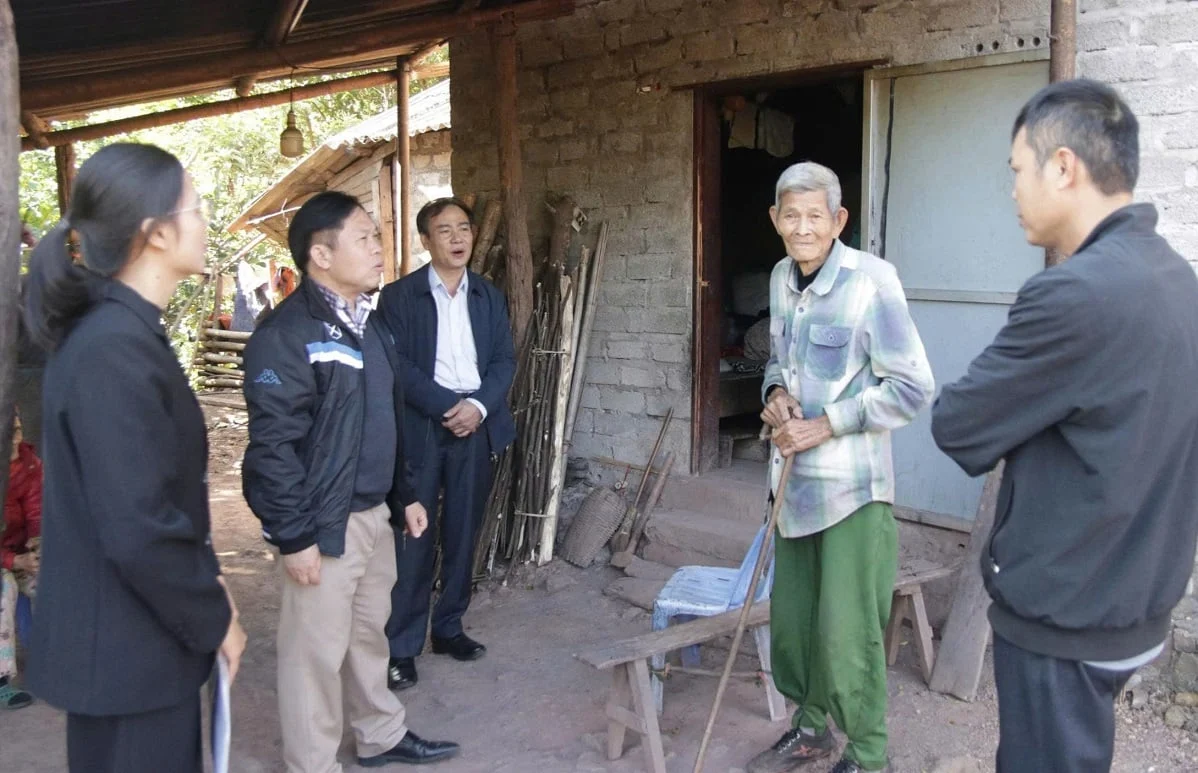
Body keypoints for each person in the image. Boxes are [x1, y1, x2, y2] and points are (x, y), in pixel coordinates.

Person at [930, 79, 1198, 773]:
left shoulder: (1072, 296)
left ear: (1063, 167)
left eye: (1017, 170)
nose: (1013, 190)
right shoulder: (1178, 280)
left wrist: (1027, 413)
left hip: (1067, 617)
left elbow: (958, 425)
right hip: (1136, 600)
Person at [21, 142, 246, 773]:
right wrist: (212, 619)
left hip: (133, 650)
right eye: (196, 208)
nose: (207, 222)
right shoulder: (111, 349)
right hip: (128, 656)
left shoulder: (121, 332)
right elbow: (139, 528)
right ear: (155, 234)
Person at [242, 191, 459, 771]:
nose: (377, 247)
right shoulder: (287, 333)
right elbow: (273, 449)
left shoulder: (369, 325)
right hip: (322, 521)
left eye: (376, 236)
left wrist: (404, 493)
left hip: (372, 515)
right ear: (321, 253)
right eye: (363, 237)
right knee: (313, 653)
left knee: (368, 637)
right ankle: (312, 763)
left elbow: (380, 419)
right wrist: (294, 536)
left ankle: (379, 735)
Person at [750, 162, 934, 773]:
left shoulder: (872, 281)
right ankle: (809, 730)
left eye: (815, 216)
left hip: (853, 493)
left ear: (838, 220)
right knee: (796, 627)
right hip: (791, 488)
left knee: (848, 634)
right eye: (791, 216)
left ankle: (869, 756)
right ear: (776, 220)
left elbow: (911, 388)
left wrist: (827, 423)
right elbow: (778, 360)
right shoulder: (780, 278)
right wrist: (775, 395)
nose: (803, 228)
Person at [377, 197, 516, 691]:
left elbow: (504, 360)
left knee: (463, 529)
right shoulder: (399, 297)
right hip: (422, 425)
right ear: (425, 240)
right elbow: (398, 369)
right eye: (444, 230)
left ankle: (449, 627)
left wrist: (476, 407)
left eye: (464, 228)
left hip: (475, 424)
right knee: (415, 534)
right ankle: (402, 645)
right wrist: (445, 407)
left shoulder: (489, 296)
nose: (457, 238)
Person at [0, 408, 39, 710]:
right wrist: (13, 562)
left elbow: (37, 514)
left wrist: (38, 552)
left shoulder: (29, 465)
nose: (17, 439)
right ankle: (2, 683)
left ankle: (51, 665)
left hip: (19, 551)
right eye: (10, 432)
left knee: (53, 578)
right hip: (6, 558)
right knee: (5, 589)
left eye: (18, 429)